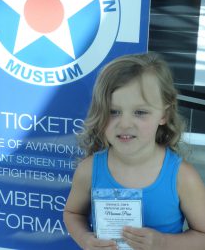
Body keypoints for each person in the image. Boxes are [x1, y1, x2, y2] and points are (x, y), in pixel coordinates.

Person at [63, 53, 205, 250]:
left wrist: (163, 243)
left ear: (163, 114)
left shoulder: (182, 176)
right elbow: (73, 213)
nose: (125, 123)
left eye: (140, 112)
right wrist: (85, 239)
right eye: (113, 111)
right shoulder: (88, 170)